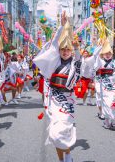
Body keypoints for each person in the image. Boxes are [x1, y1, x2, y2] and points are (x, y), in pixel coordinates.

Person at [33, 11, 81, 162]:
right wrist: (61, 27)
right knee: (54, 133)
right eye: (63, 49)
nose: (65, 52)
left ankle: (67, 156)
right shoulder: (55, 61)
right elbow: (54, 43)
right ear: (59, 51)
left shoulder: (74, 62)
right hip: (54, 100)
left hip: (67, 101)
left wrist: (78, 49)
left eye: (68, 50)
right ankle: (64, 158)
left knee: (63, 131)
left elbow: (79, 65)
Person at [94, 38, 115, 129]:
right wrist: (101, 46)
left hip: (113, 85)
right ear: (102, 54)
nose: (108, 55)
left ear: (112, 54)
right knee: (105, 104)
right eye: (106, 53)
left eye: (109, 53)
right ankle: (107, 120)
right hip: (103, 85)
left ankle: (112, 119)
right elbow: (95, 67)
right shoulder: (100, 61)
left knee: (112, 102)